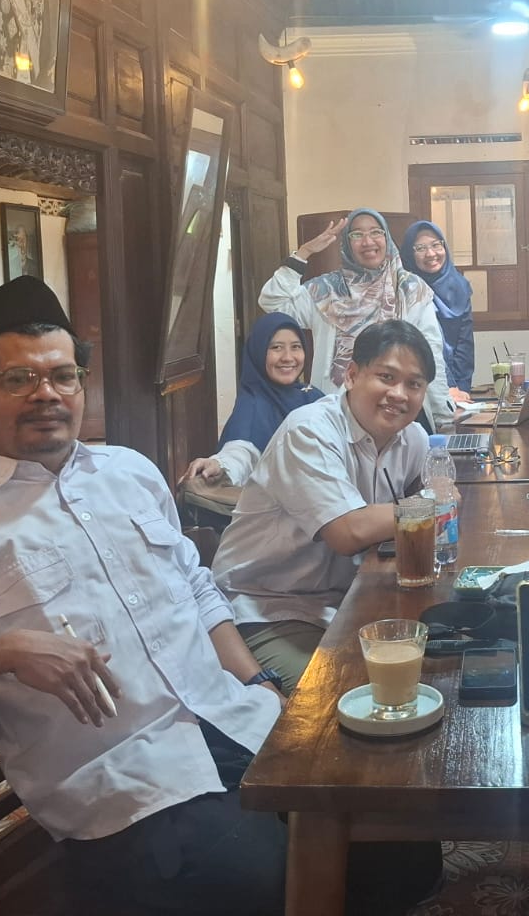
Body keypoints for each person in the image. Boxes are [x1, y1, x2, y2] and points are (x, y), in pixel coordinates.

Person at [0, 276, 292, 915]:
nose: (45, 393)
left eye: (62, 376)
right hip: (131, 787)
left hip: (238, 722)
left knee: (393, 842)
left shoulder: (131, 473)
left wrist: (258, 682)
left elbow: (194, 585)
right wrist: (2, 654)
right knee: (273, 883)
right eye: (18, 379)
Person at [212, 319, 432, 694]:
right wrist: (432, 506)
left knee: (432, 668)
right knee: (344, 693)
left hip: (347, 600)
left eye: (414, 384)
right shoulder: (310, 430)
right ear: (352, 375)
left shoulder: (413, 439)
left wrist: (431, 505)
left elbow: (432, 512)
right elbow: (349, 532)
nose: (398, 394)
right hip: (270, 609)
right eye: (386, 377)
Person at [259, 208, 452, 426]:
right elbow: (273, 304)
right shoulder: (325, 291)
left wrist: (443, 417)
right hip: (337, 414)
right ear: (347, 244)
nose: (367, 241)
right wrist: (303, 253)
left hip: (398, 410)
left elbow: (431, 353)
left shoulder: (410, 289)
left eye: (376, 232)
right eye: (357, 234)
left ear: (387, 238)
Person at [179, 313, 320, 489]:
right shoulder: (253, 405)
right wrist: (219, 464)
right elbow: (241, 452)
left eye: (296, 347)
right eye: (276, 347)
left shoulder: (311, 395)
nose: (288, 357)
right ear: (258, 352)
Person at [399, 219, 474, 403]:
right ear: (409, 254)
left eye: (436, 245)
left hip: (454, 386)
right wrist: (448, 385)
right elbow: (427, 341)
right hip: (417, 381)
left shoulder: (459, 285)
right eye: (420, 248)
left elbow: (464, 342)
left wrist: (462, 387)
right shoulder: (406, 290)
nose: (431, 254)